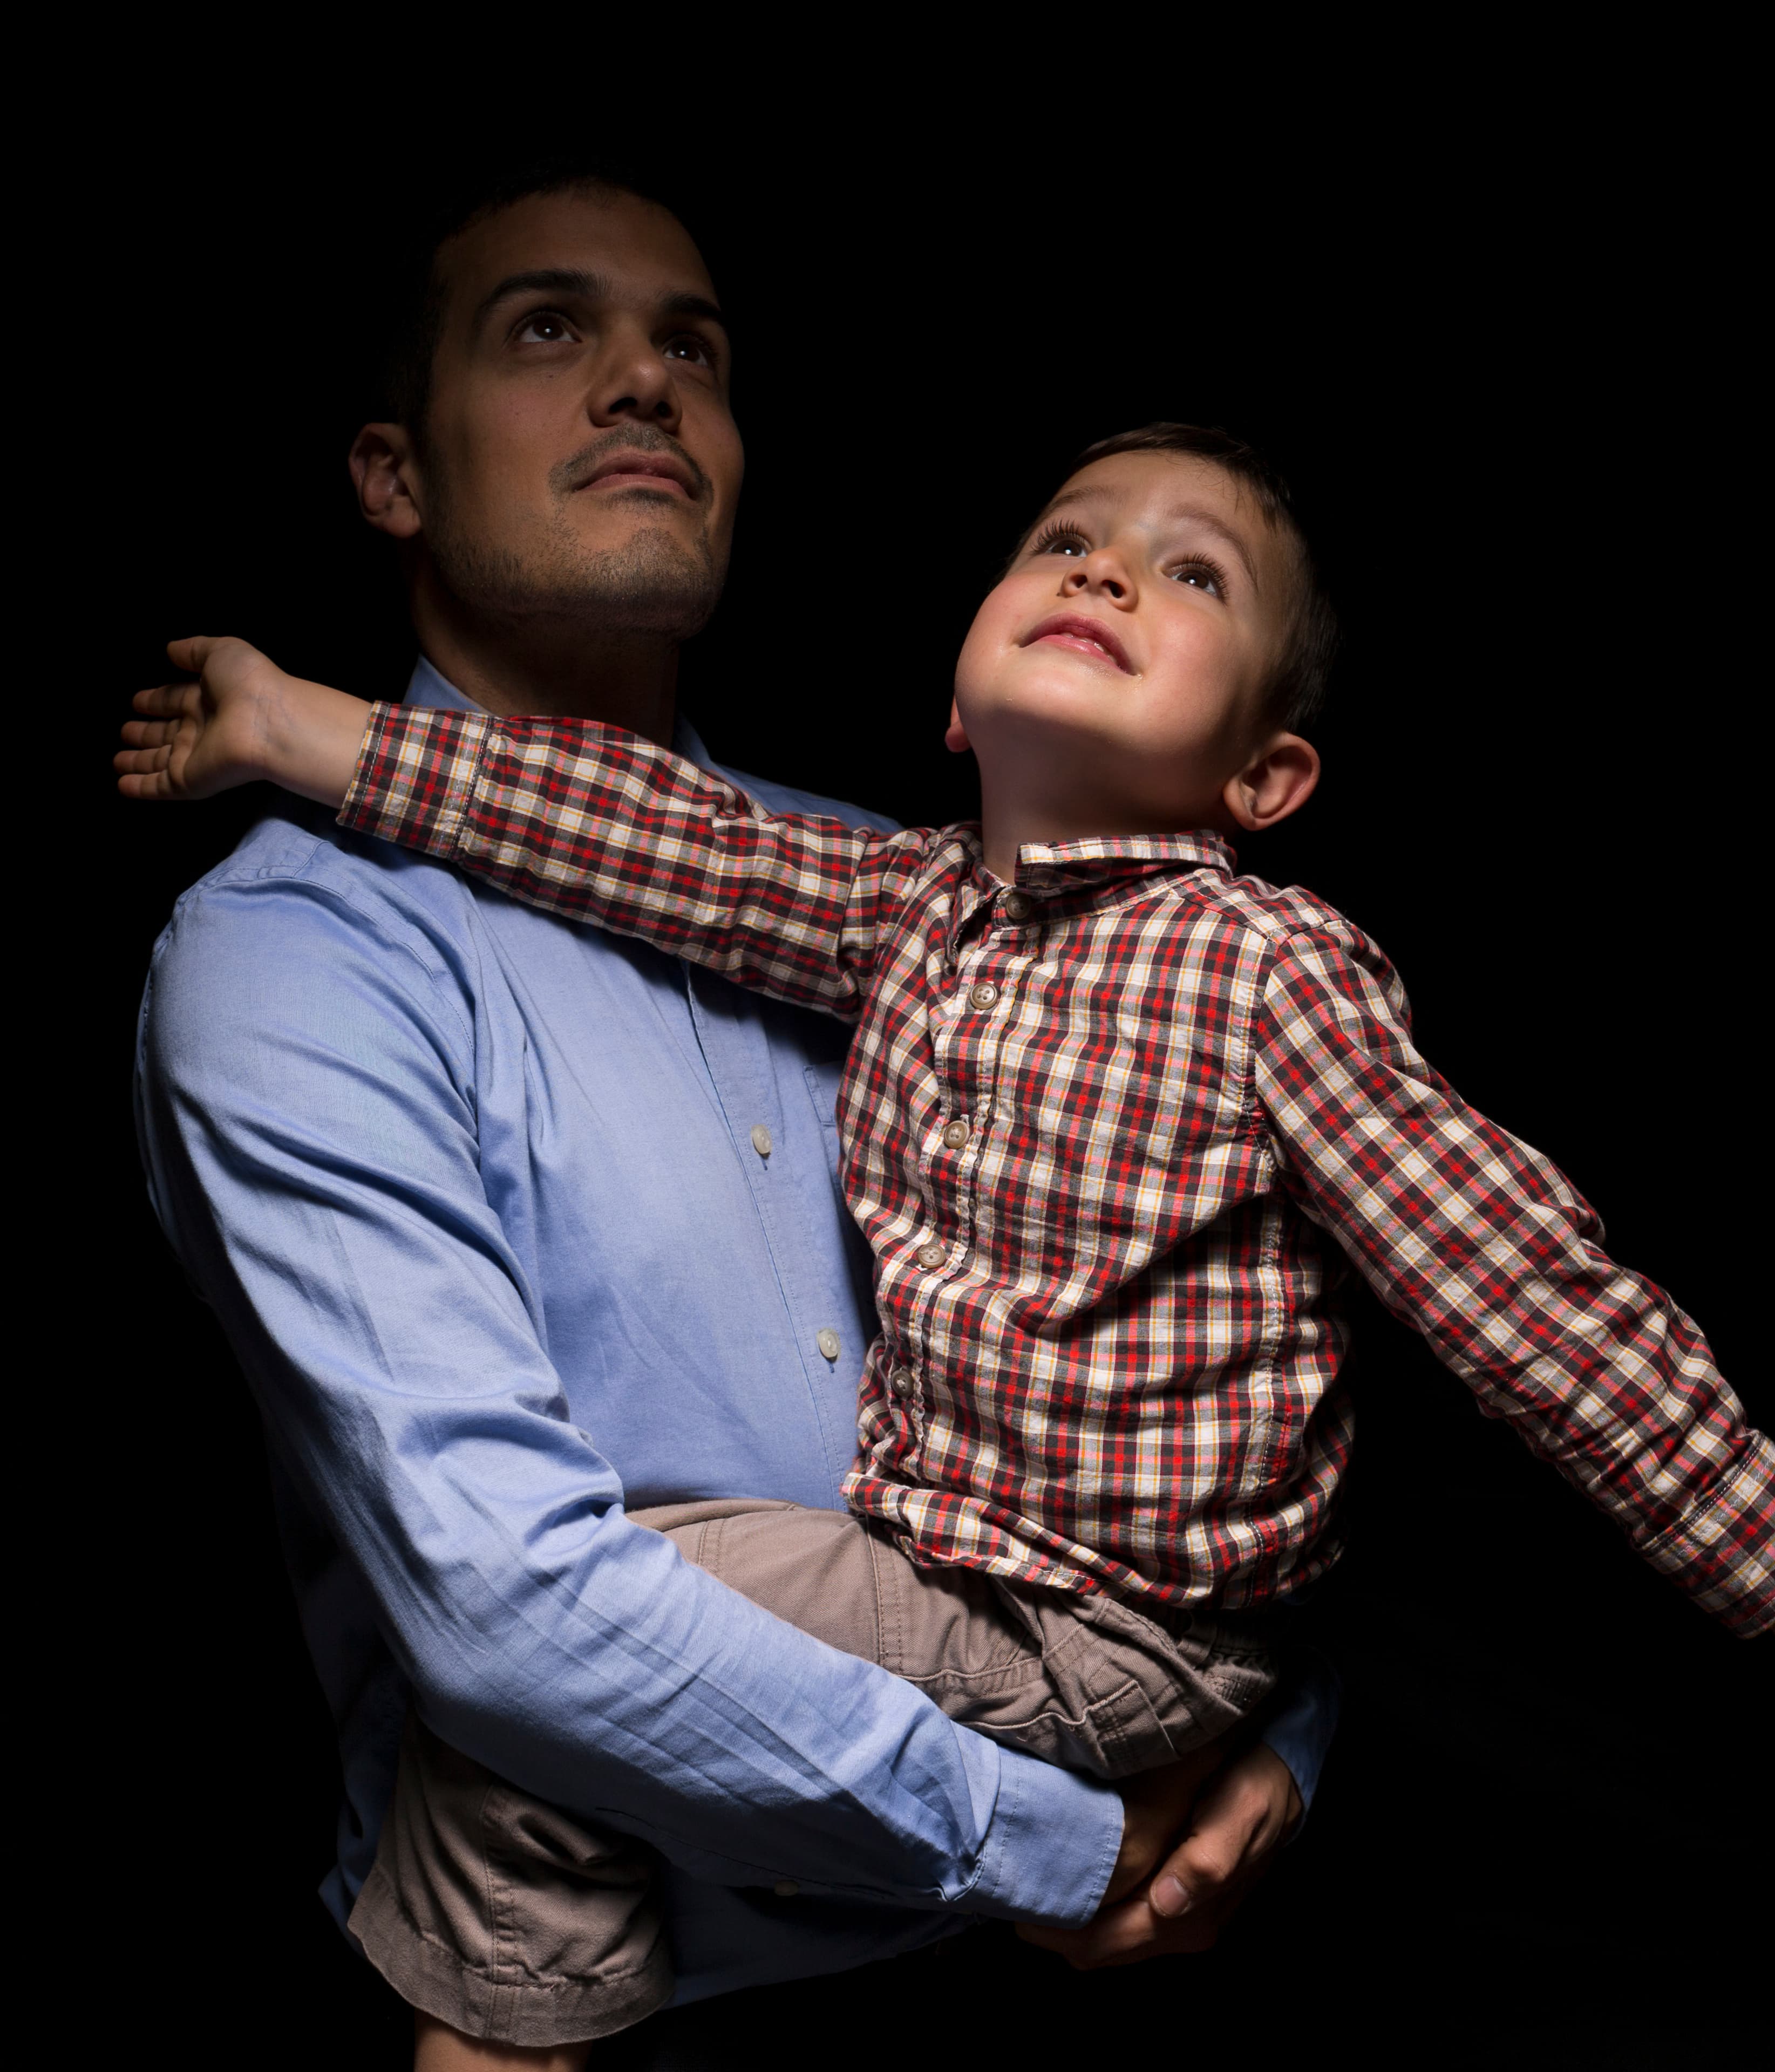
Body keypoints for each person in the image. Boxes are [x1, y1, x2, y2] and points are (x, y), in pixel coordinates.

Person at [121, 421, 1775, 2067]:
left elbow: (1518, 1285)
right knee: (556, 1678)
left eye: (1185, 574)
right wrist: (303, 730)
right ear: (956, 704)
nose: (1107, 570)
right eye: (1064, 541)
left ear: (1261, 782)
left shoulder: (1263, 968)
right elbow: (638, 833)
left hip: (1110, 1639)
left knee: (599, 1644)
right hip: (973, 1601)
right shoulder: (901, 904)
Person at [125, 169, 1338, 2072]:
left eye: (691, 347)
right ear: (392, 476)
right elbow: (506, 1606)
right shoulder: (290, 962)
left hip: (1090, 1992)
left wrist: (1273, 1731)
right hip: (640, 2016)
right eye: (550, 332)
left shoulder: (935, 901)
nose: (643, 386)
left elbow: (1236, 1351)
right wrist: (1055, 1846)